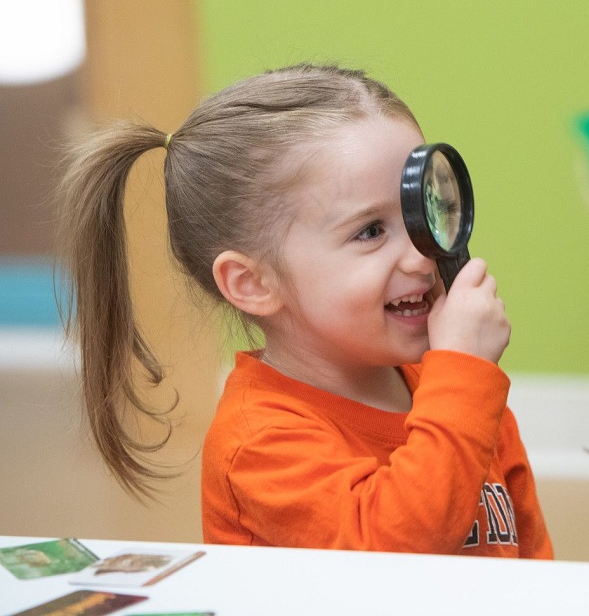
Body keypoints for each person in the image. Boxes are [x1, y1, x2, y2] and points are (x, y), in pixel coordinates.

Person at [56, 63, 552, 558]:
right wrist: (464, 376)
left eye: (421, 214)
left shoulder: (454, 390)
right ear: (253, 284)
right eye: (370, 231)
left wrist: (461, 380)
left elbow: (533, 562)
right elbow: (397, 551)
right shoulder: (260, 443)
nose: (422, 256)